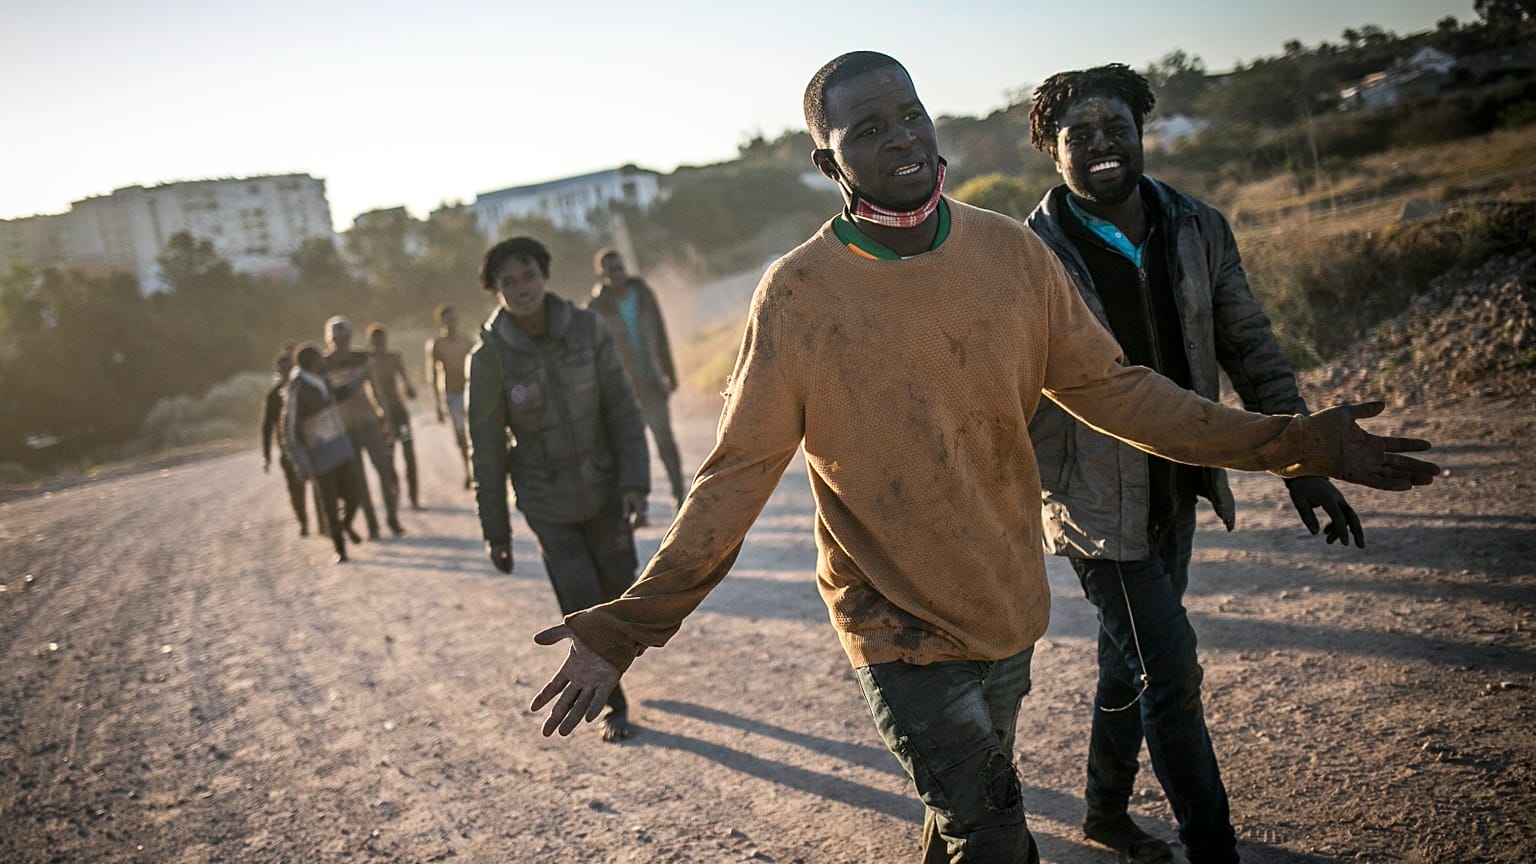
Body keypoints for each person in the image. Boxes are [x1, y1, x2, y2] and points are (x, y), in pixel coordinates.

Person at [527, 52, 1437, 863]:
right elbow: (735, 477)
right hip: (894, 625)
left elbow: (1123, 394)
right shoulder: (799, 295)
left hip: (1005, 607)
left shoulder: (1010, 254)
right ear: (828, 161)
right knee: (995, 830)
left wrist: (1287, 444)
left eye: (912, 114)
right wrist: (627, 625)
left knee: (961, 824)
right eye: (869, 129)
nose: (903, 138)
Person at [1023, 63, 1360, 864]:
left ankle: (1104, 814)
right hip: (1094, 506)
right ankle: (1214, 847)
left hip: (1181, 484)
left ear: (1141, 132)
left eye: (1117, 129)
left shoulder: (1198, 226)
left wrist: (1302, 462)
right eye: (1080, 136)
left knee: (1130, 661)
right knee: (1170, 673)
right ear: (1052, 151)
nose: (1102, 146)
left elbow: (1250, 347)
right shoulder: (1025, 257)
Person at [468, 236, 651, 742]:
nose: (521, 288)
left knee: (619, 585)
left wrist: (636, 481)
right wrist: (495, 531)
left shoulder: (587, 328)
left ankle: (616, 662)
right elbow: (484, 449)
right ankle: (613, 702)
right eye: (509, 282)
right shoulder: (488, 359)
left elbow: (622, 407)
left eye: (528, 276)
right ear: (496, 291)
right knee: (580, 601)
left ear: (544, 275)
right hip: (546, 501)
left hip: (604, 487)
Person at [588, 249, 687, 508]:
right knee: (630, 448)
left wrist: (670, 373)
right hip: (622, 391)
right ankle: (635, 505)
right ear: (602, 276)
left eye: (620, 268)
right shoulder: (596, 309)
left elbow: (661, 335)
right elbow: (594, 355)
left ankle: (679, 493)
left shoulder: (643, 295)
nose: (617, 275)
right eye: (611, 272)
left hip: (652, 381)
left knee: (664, 438)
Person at [281, 344, 365, 563]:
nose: (324, 360)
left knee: (354, 496)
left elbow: (341, 394)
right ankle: (340, 549)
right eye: (319, 357)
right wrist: (301, 463)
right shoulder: (299, 389)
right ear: (312, 362)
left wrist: (360, 378)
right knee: (329, 505)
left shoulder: (321, 380)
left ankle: (346, 525)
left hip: (340, 448)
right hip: (321, 457)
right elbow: (291, 431)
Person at [324, 315, 405, 538]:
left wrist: (385, 417)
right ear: (330, 340)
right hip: (345, 427)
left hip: (367, 420)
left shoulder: (362, 358)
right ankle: (373, 526)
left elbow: (375, 389)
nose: (341, 343)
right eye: (337, 339)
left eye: (344, 338)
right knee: (359, 480)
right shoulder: (324, 364)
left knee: (384, 471)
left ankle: (392, 519)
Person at [367, 322, 423, 511]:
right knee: (388, 456)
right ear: (371, 342)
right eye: (376, 341)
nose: (380, 344)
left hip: (399, 413)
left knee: (408, 453)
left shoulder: (394, 358)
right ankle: (394, 492)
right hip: (381, 416)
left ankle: (414, 497)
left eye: (382, 339)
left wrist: (409, 389)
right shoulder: (368, 361)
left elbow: (404, 378)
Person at [260, 349, 309, 536]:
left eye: (290, 368)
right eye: (283, 370)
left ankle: (326, 522)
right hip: (289, 450)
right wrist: (266, 457)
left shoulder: (304, 388)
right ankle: (303, 521)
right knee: (295, 488)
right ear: (278, 372)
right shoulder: (274, 396)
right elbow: (267, 427)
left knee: (322, 483)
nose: (287, 373)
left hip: (311, 444)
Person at [427, 303, 475, 490]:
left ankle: (478, 468)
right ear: (442, 321)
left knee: (477, 431)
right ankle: (468, 471)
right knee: (461, 436)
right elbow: (432, 374)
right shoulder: (437, 345)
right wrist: (437, 405)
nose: (452, 322)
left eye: (454, 318)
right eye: (448, 318)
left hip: (471, 390)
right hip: (452, 394)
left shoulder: (467, 341)